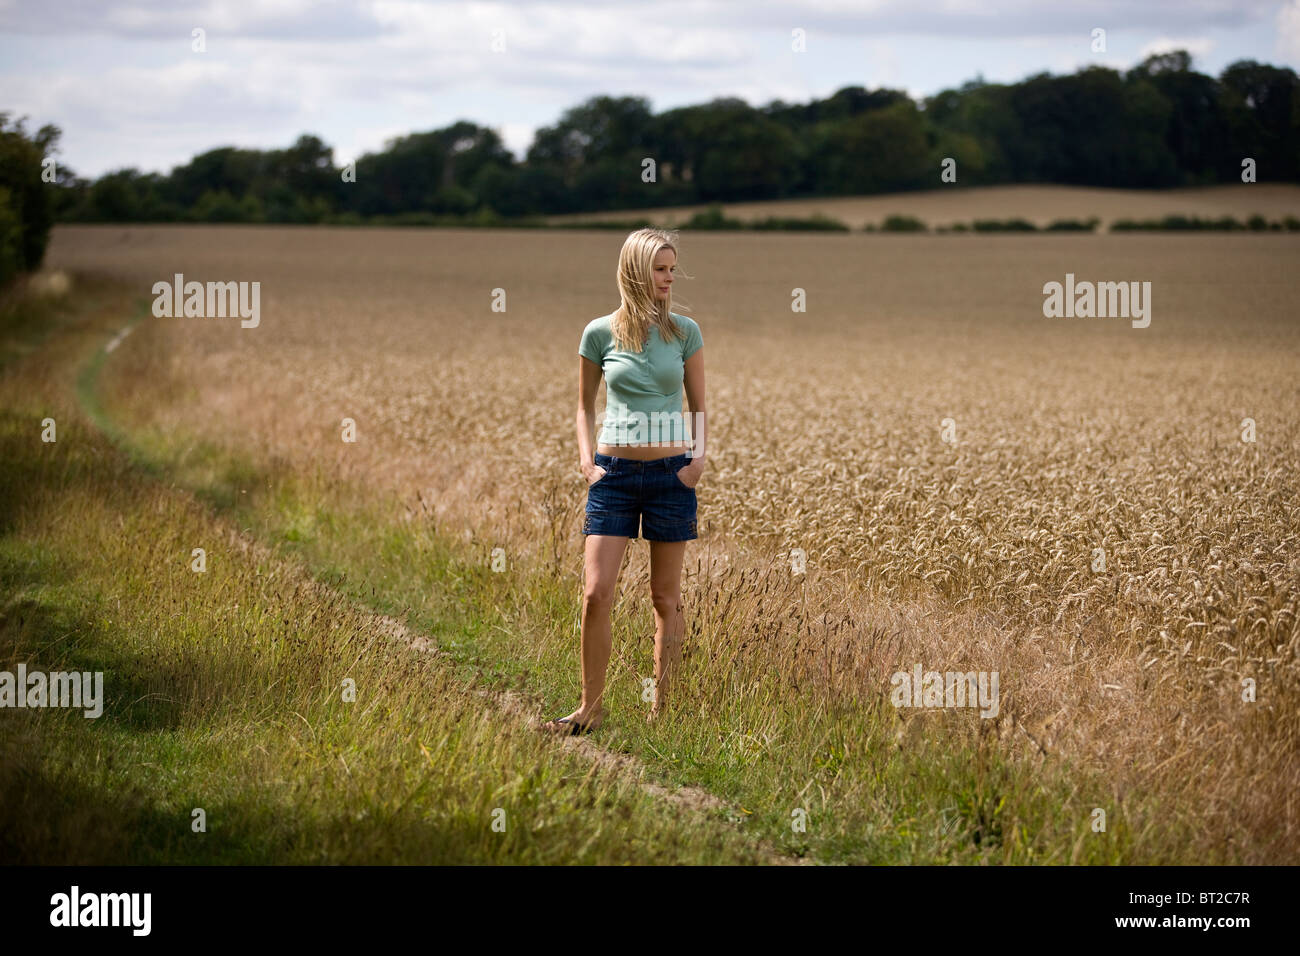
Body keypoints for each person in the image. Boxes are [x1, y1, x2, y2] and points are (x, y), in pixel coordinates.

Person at [541, 228, 707, 735]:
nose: (670, 277)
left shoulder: (685, 332)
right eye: (660, 268)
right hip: (611, 477)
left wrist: (696, 461)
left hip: (669, 476)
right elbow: (582, 407)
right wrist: (587, 464)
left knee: (666, 598)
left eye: (672, 268)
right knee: (596, 592)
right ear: (635, 271)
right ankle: (589, 709)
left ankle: (664, 713)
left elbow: (700, 406)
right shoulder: (598, 333)